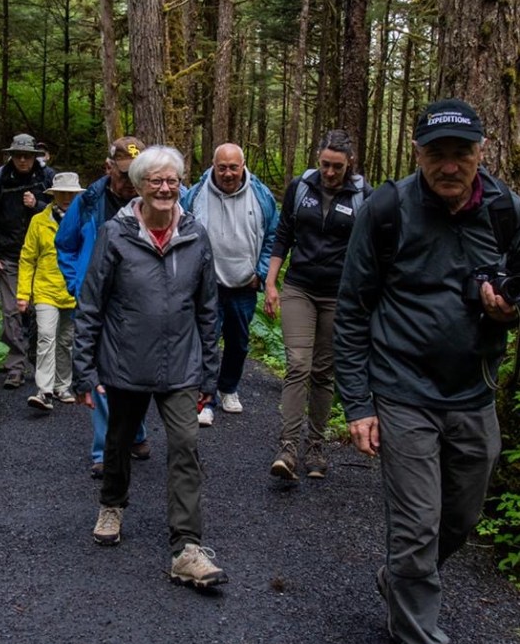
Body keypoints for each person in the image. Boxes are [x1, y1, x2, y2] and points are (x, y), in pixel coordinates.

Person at [335, 99, 520, 644]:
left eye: (460, 153)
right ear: (417, 154)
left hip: (472, 390)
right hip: (402, 389)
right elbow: (353, 306)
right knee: (415, 526)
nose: (449, 165)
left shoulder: (505, 210)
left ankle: (401, 579)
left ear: (480, 152)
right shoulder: (387, 210)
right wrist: (358, 403)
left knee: (461, 517)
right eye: (436, 153)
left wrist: (507, 310)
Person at [72, 145, 228, 587]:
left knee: (186, 445)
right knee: (119, 440)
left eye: (172, 180)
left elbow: (208, 309)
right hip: (125, 361)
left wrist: (210, 373)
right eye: (156, 180)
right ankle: (112, 504)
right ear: (139, 186)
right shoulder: (115, 234)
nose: (165, 188)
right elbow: (91, 304)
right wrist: (84, 372)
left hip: (181, 364)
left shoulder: (196, 235)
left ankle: (187, 547)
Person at [263, 129, 370, 481]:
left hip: (339, 295)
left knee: (324, 372)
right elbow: (283, 235)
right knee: (298, 365)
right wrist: (271, 283)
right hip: (300, 288)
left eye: (337, 166)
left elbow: (369, 249)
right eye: (325, 164)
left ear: (349, 163)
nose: (329, 172)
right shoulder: (301, 187)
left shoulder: (363, 195)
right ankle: (288, 447)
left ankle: (316, 446)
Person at [56, 136, 151, 477]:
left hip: (139, 302)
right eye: (125, 174)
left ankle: (136, 433)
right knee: (101, 375)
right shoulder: (89, 201)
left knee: (139, 371)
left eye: (139, 174)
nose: (132, 182)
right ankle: (104, 450)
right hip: (96, 301)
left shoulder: (154, 199)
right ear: (108, 167)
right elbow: (65, 244)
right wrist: (76, 283)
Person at [181, 143, 278, 424]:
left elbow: (273, 235)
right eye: (222, 167)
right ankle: (205, 399)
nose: (227, 173)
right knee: (205, 342)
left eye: (233, 167)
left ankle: (229, 388)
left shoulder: (261, 195)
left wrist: (261, 273)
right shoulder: (196, 194)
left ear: (243, 166)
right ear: (213, 166)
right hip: (207, 286)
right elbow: (181, 229)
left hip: (244, 285)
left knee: (238, 343)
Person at [0, 134, 53, 388]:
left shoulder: (47, 177)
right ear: (11, 156)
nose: (22, 160)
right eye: (18, 155)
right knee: (12, 310)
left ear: (35, 156)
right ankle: (15, 366)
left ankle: (39, 360)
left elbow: (61, 212)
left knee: (39, 311)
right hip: (9, 254)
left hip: (40, 257)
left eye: (27, 156)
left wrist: (37, 205)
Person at [17, 172, 85, 411]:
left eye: (71, 194)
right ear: (53, 194)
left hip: (72, 291)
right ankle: (44, 391)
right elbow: (28, 258)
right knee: (46, 336)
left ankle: (62, 386)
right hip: (45, 289)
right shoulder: (39, 221)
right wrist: (23, 294)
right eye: (61, 193)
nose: (66, 198)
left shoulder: (85, 221)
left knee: (66, 341)